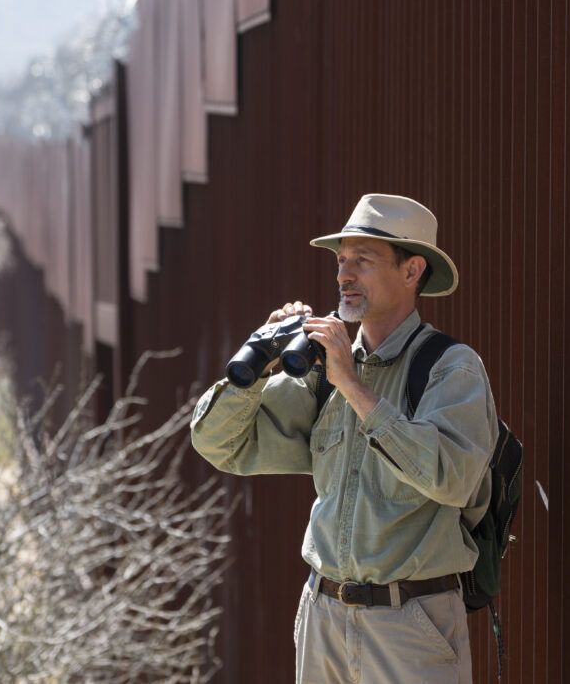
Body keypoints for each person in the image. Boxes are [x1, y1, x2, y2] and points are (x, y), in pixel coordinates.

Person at [191, 193, 499, 683]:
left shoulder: (450, 368)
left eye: (363, 259)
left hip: (411, 624)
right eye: (340, 260)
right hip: (323, 616)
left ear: (411, 270)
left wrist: (354, 386)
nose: (343, 275)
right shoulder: (321, 371)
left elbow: (450, 478)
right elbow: (220, 445)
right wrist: (256, 361)